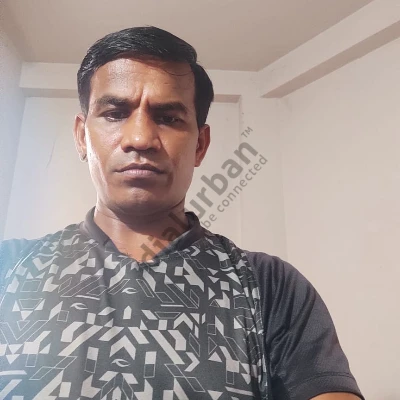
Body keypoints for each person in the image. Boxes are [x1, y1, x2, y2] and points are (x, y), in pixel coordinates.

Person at [0, 26, 363, 400]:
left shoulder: (272, 285)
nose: (140, 138)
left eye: (168, 118)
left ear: (200, 145)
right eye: (115, 113)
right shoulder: (8, 268)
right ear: (82, 137)